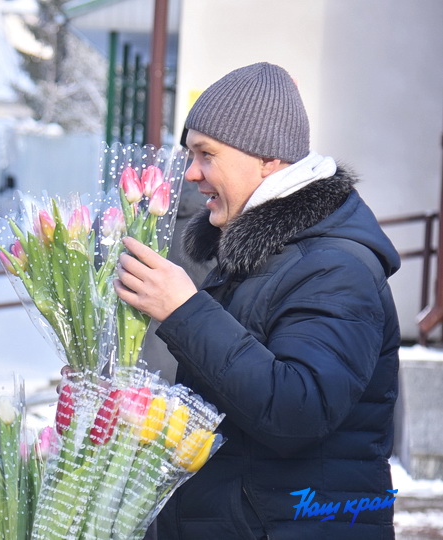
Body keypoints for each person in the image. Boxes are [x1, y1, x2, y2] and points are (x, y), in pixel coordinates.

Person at [116, 62, 399, 539]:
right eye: (190, 154)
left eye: (207, 155)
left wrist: (185, 312)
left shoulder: (336, 267)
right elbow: (228, 396)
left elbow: (297, 411)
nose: (191, 173)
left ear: (268, 159)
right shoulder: (258, 254)